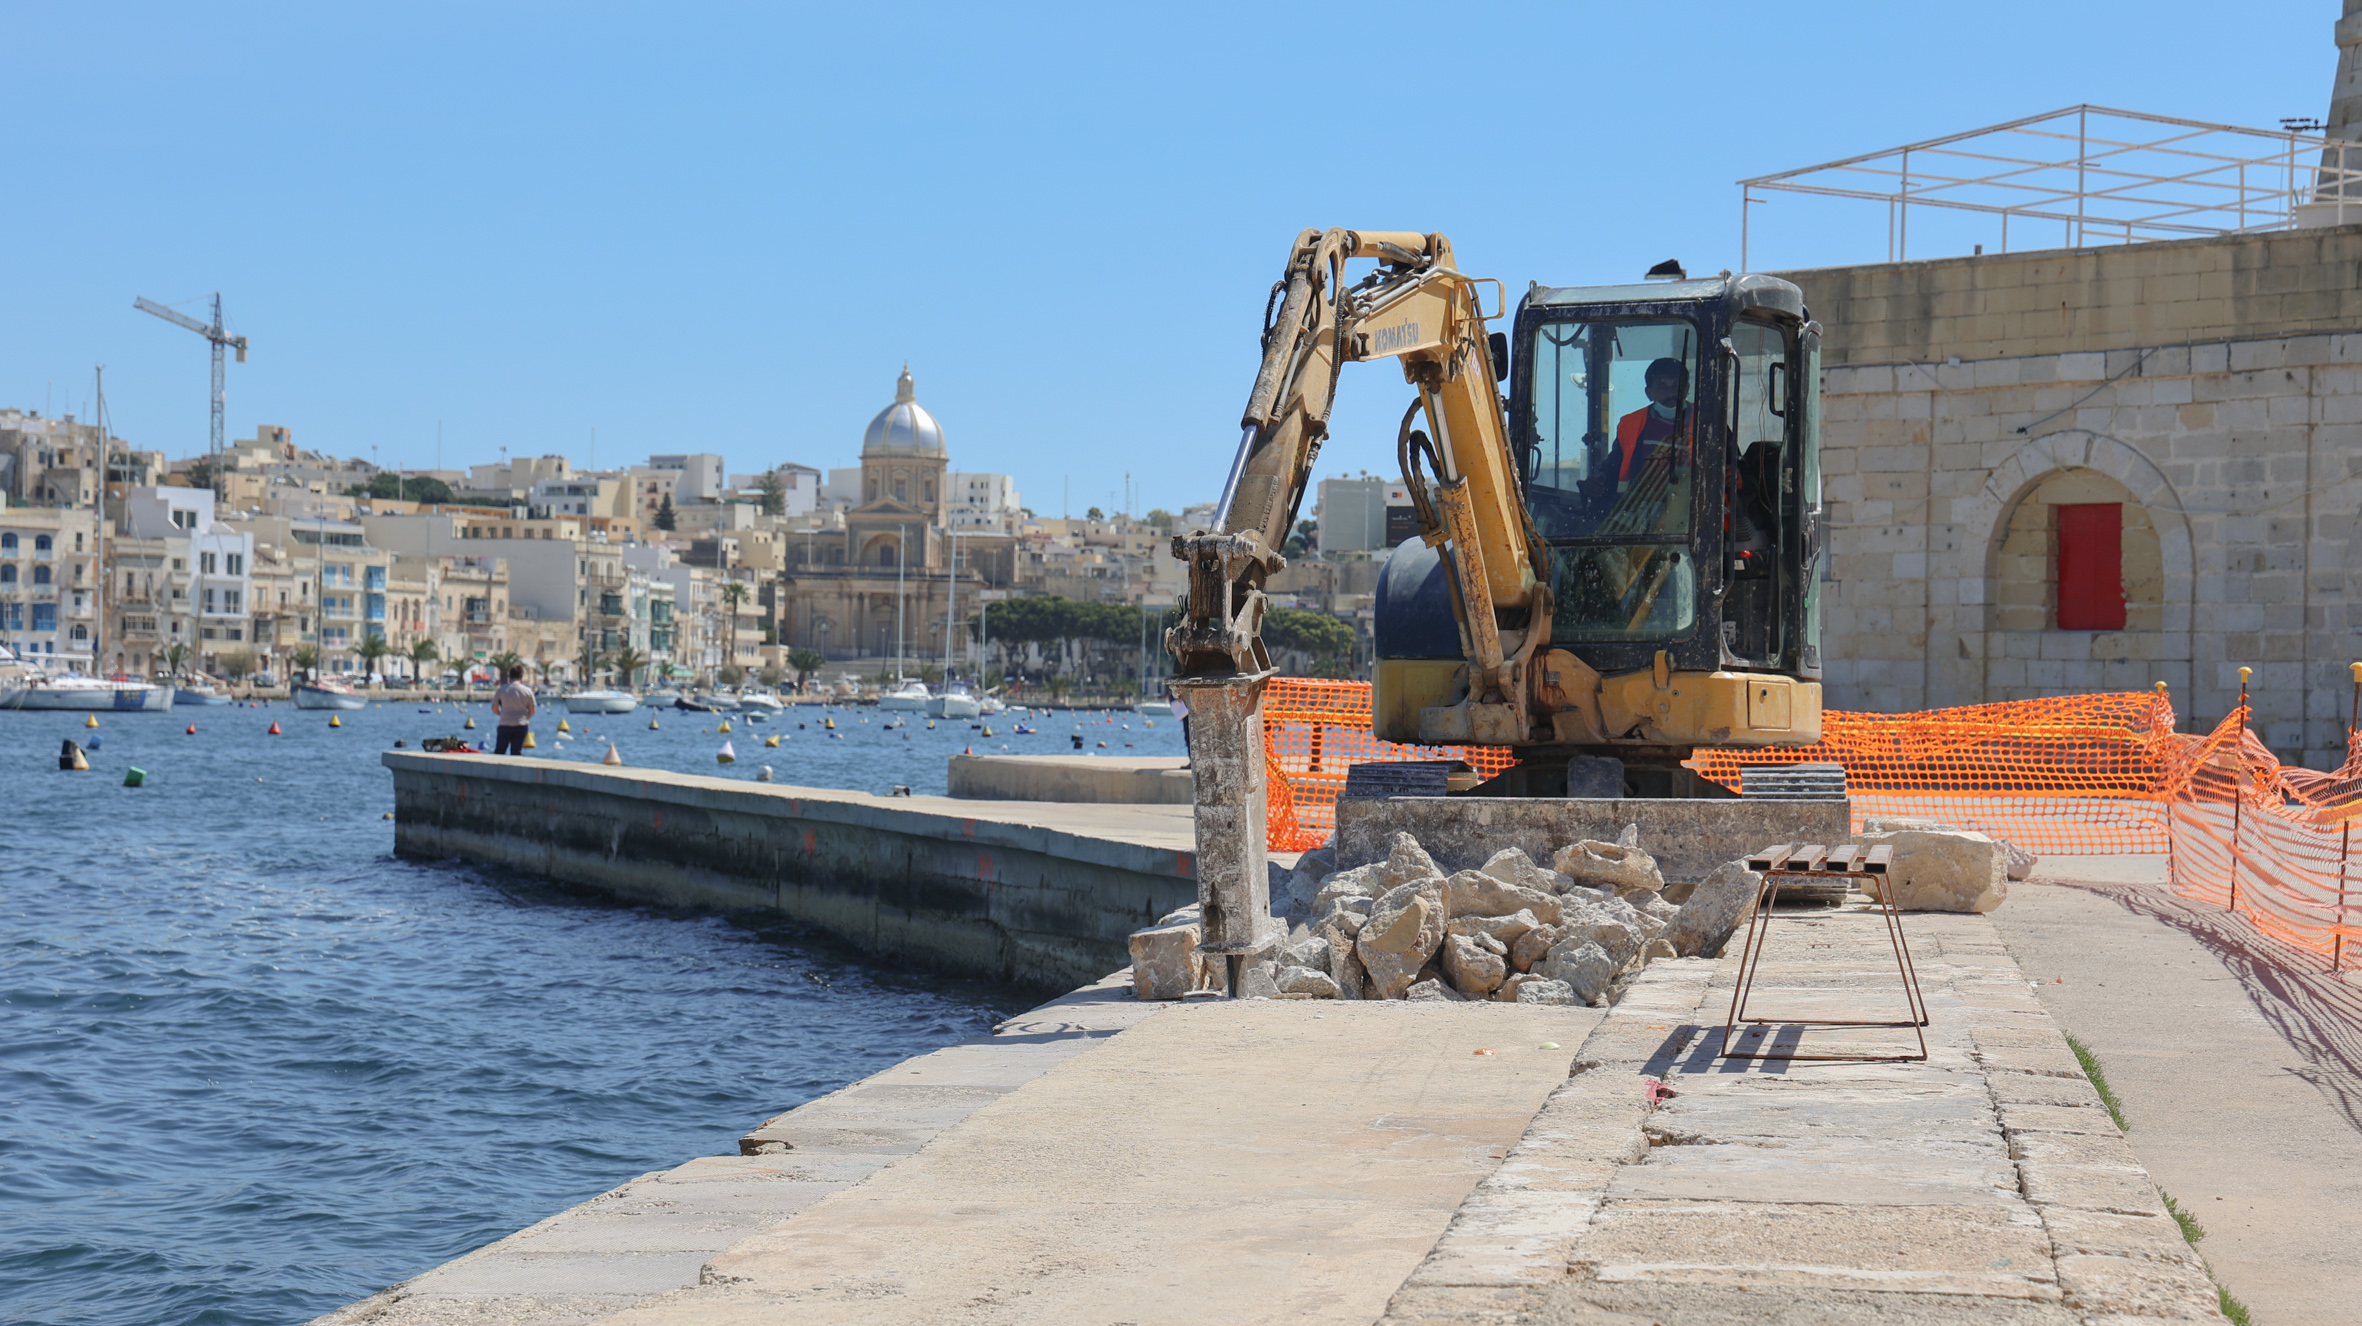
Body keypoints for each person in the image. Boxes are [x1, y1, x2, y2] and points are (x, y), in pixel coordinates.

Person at [1603, 356, 1694, 508]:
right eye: (1662, 387)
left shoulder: (1708, 421)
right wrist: (1599, 481)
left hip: (1694, 514)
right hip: (1642, 515)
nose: (1671, 393)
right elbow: (1614, 468)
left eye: (1676, 386)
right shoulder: (1630, 425)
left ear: (1687, 388)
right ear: (1649, 393)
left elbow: (1734, 467)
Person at [492, 665, 536, 756]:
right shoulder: (527, 691)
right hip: (521, 724)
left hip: (505, 724)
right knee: (516, 753)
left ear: (509, 676)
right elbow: (532, 710)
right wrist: (525, 717)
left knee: (499, 752)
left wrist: (502, 714)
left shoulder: (502, 690)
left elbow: (494, 708)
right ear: (521, 676)